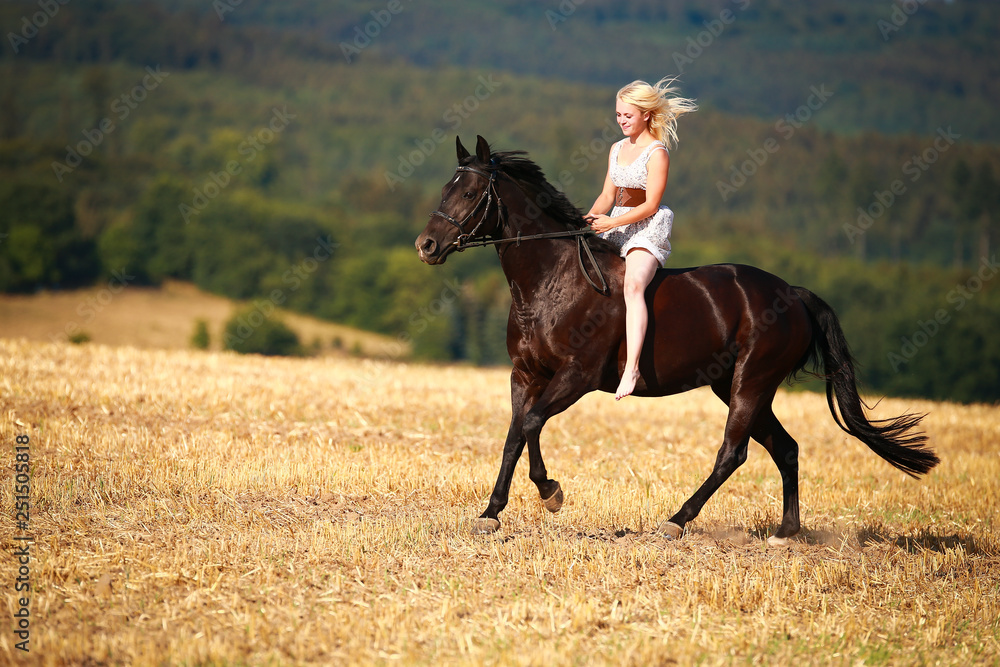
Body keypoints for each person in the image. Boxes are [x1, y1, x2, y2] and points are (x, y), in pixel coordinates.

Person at [585, 77, 697, 400]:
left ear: (646, 115)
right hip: (615, 222)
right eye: (618, 115)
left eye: (627, 116)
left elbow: (649, 204)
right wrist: (590, 220)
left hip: (647, 229)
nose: (621, 121)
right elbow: (608, 195)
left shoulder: (657, 153)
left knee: (633, 284)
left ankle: (632, 367)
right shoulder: (616, 149)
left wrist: (610, 223)